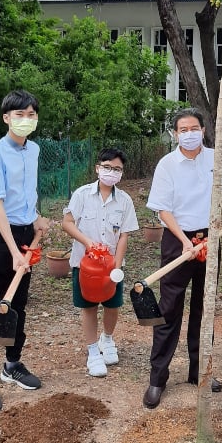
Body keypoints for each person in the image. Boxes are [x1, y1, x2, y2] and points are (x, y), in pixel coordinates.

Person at [143, 107, 222, 409]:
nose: (189, 133)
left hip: (210, 237)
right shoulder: (167, 165)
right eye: (183, 129)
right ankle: (157, 379)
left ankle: (200, 372)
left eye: (194, 128)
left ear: (203, 130)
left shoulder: (215, 157)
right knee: (169, 309)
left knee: (204, 307)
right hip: (178, 240)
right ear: (175, 134)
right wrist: (185, 242)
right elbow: (162, 209)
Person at [0, 90, 50, 414]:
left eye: (31, 114)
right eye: (19, 114)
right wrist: (14, 252)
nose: (26, 120)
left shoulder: (33, 150)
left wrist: (36, 220)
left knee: (18, 303)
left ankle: (12, 365)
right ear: (6, 117)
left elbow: (26, 194)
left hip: (24, 233)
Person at [62, 148, 139, 377]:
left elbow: (124, 234)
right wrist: (87, 242)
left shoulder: (124, 200)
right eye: (107, 167)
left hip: (112, 266)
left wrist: (116, 264)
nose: (111, 172)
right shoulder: (82, 195)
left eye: (117, 169)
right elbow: (67, 223)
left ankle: (107, 339)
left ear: (121, 173)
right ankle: (93, 351)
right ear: (98, 168)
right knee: (88, 306)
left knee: (112, 304)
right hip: (84, 265)